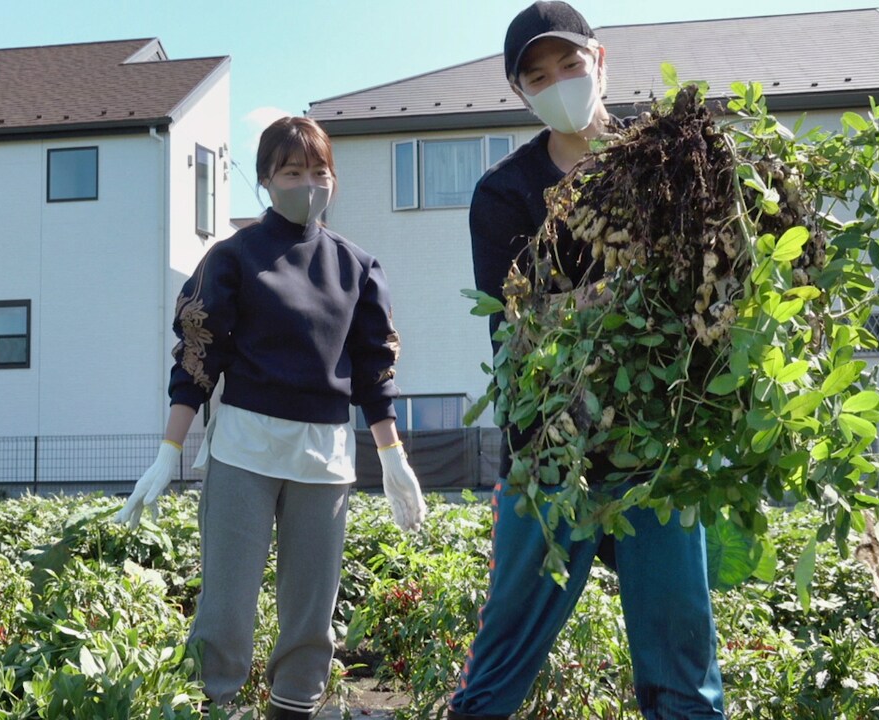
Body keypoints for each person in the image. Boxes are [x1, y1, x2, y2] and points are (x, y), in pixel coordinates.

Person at [447, 3, 725, 719]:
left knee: (682, 659)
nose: (558, 83)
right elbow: (516, 330)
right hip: (550, 449)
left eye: (569, 64)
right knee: (503, 654)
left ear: (599, 61)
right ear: (520, 93)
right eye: (537, 76)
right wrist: (629, 297)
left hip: (655, 446)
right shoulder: (504, 193)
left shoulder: (668, 160)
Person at [115, 115, 428, 720]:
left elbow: (374, 370)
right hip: (244, 450)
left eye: (319, 171)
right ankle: (212, 705)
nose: (308, 184)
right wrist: (168, 451)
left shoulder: (357, 267)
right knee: (226, 605)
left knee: (311, 612)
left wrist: (394, 458)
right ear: (265, 179)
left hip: (324, 457)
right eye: (292, 172)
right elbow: (199, 356)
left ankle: (295, 709)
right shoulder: (232, 258)